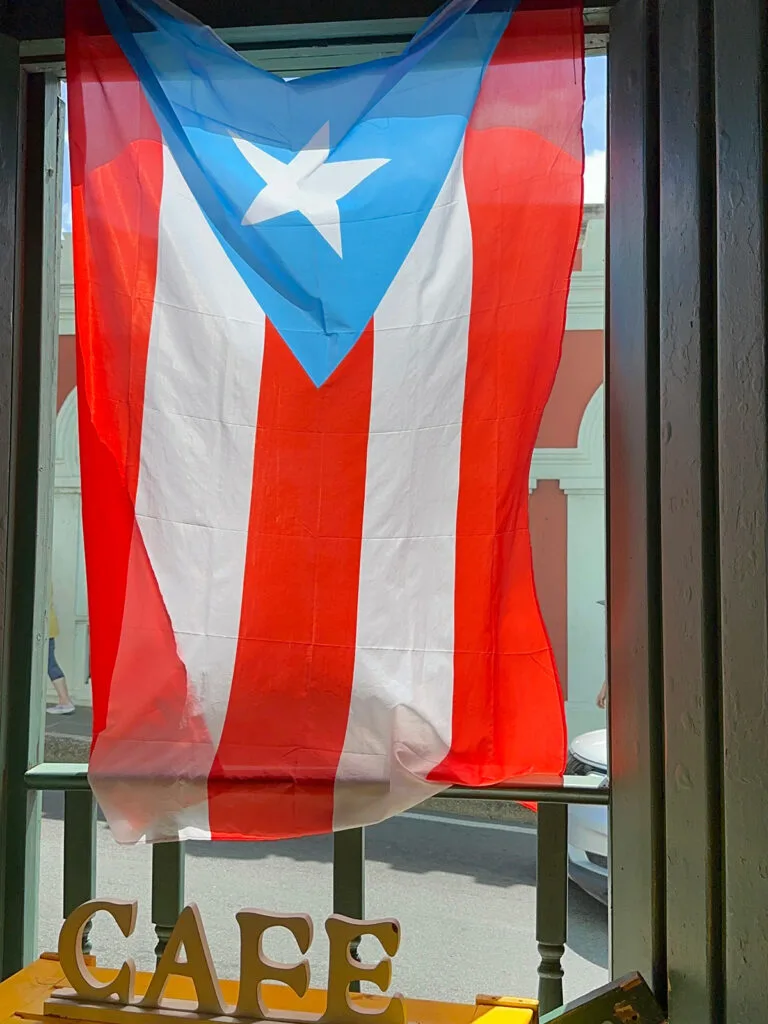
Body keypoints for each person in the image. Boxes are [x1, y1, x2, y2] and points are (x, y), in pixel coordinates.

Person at [47, 586, 74, 715]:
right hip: (48, 626)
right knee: (50, 663)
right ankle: (65, 700)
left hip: (44, 627)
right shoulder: (46, 578)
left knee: (50, 664)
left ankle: (65, 701)